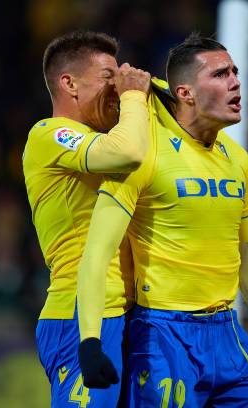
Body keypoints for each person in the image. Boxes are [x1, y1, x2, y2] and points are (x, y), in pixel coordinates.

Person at [76, 33, 248, 407]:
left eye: (234, 72)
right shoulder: (142, 153)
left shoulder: (239, 160)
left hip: (228, 334)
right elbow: (97, 255)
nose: (235, 82)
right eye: (219, 74)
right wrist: (89, 341)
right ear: (185, 93)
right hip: (163, 337)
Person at [22, 30, 150, 407]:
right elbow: (127, 153)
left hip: (129, 314)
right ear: (70, 83)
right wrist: (132, 97)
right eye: (108, 77)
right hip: (78, 316)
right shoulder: (49, 134)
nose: (116, 87)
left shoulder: (109, 135)